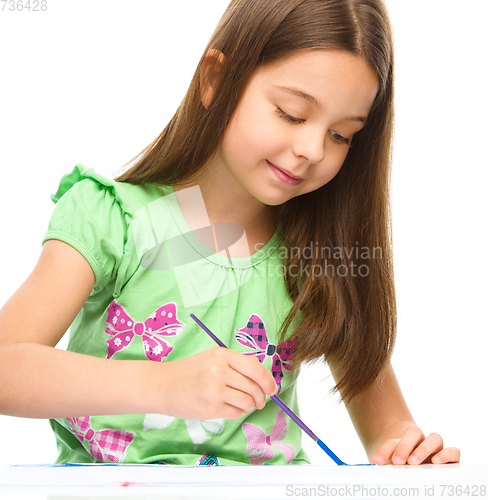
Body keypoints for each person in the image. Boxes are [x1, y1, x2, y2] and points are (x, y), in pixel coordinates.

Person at [0, 0, 460, 466]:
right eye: (292, 113)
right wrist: (164, 386)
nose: (312, 149)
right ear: (215, 81)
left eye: (341, 135)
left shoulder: (318, 252)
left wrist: (409, 450)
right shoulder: (114, 217)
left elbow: (390, 429)